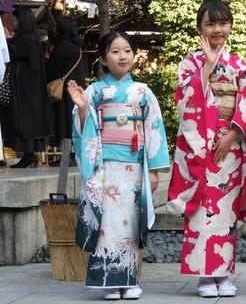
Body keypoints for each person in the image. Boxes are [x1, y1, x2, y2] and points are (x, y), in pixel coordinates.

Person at [166, 0, 246, 298]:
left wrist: (233, 135)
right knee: (201, 209)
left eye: (223, 23)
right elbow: (185, 102)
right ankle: (205, 275)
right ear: (200, 29)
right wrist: (206, 68)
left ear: (230, 26)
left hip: (229, 145)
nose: (217, 30)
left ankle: (223, 272)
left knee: (225, 210)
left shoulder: (238, 64)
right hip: (200, 145)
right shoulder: (189, 62)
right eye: (211, 24)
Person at [67, 31, 170, 300]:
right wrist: (81, 108)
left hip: (135, 166)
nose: (122, 56)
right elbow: (85, 130)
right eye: (115, 51)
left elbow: (153, 128)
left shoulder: (142, 92)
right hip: (106, 167)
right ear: (103, 58)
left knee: (130, 223)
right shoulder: (95, 91)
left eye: (127, 50)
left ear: (134, 55)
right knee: (109, 223)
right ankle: (107, 280)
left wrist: (155, 170)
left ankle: (130, 278)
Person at [2, 7, 51, 168]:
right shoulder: (33, 38)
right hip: (32, 88)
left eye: (15, 19)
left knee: (23, 120)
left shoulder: (23, 38)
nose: (13, 22)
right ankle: (30, 155)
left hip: (24, 88)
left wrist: (8, 39)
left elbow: (12, 55)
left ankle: (28, 155)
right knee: (31, 121)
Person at [46, 15, 86, 166]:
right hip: (76, 90)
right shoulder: (77, 48)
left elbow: (52, 69)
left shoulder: (61, 46)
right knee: (73, 122)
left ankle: (66, 157)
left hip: (64, 92)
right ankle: (73, 155)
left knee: (63, 122)